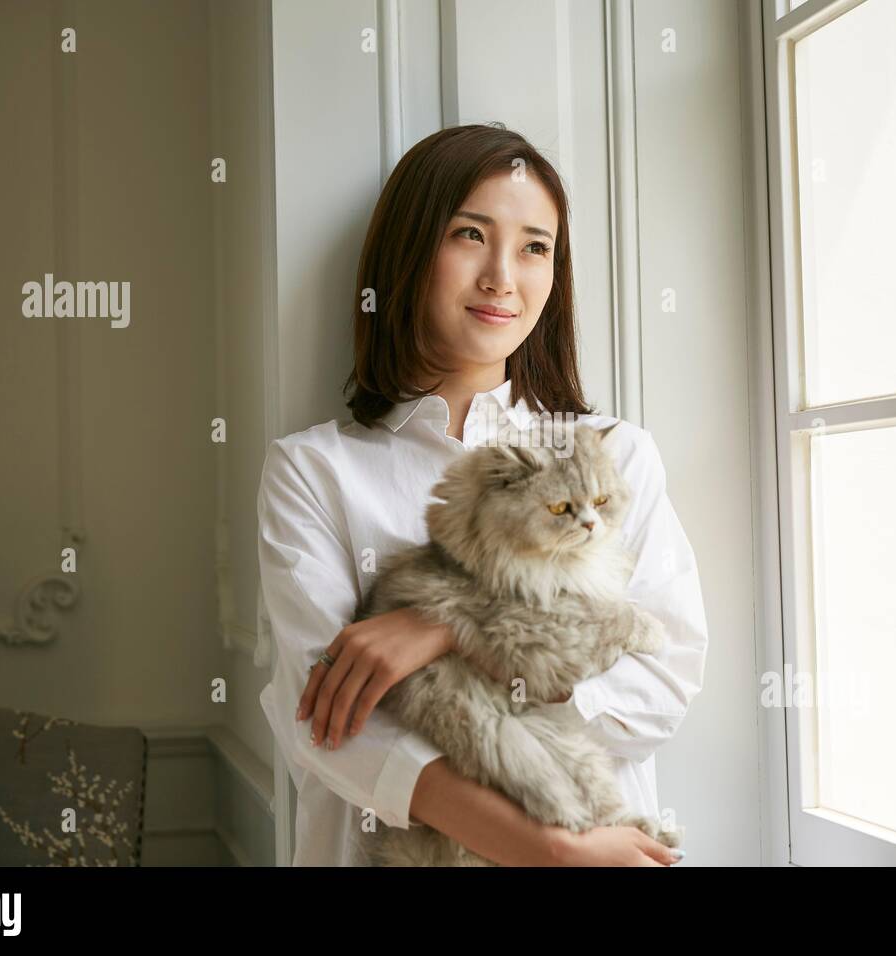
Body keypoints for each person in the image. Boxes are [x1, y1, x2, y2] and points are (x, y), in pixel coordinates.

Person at [257, 123, 709, 866]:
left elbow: (663, 674)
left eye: (536, 246)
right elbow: (332, 723)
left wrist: (447, 627)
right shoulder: (315, 471)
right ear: (409, 251)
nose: (504, 275)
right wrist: (549, 851)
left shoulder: (615, 456)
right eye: (471, 235)